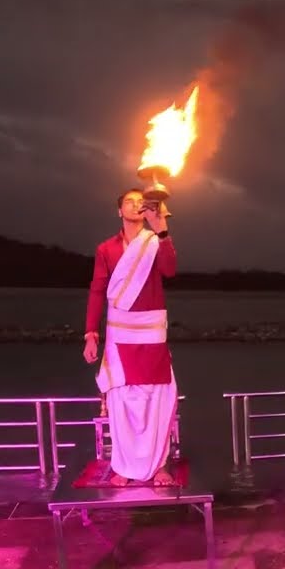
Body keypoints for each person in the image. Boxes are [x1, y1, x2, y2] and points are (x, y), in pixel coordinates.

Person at [84, 189, 179, 486]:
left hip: (151, 330)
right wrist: (91, 334)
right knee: (121, 397)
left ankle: (159, 465)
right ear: (119, 211)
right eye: (129, 201)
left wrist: (162, 231)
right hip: (119, 330)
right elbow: (97, 290)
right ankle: (124, 467)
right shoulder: (106, 249)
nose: (136, 204)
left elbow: (170, 270)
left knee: (158, 396)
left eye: (140, 201)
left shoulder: (153, 241)